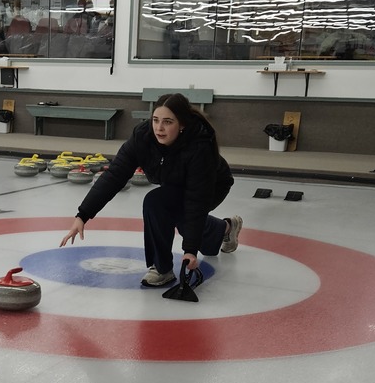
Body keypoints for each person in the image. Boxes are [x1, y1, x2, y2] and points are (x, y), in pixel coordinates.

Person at [60, 92, 242, 286]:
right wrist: (83, 215)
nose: (159, 128)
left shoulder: (199, 146)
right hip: (176, 182)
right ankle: (222, 231)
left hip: (213, 184)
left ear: (182, 124)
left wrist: (190, 250)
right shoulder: (143, 137)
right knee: (168, 208)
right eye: (155, 120)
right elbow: (114, 176)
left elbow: (196, 200)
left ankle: (167, 266)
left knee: (162, 205)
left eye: (168, 122)